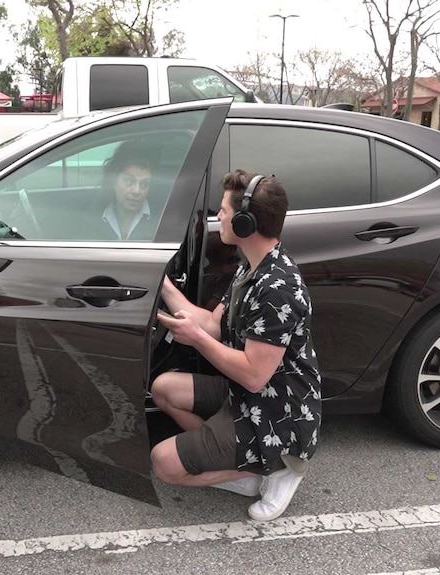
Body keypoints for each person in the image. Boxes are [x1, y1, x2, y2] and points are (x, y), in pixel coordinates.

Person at [150, 169, 322, 522]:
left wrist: (196, 339)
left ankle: (278, 467)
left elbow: (254, 376)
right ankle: (248, 465)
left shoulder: (278, 288)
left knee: (164, 464)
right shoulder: (252, 269)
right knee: (163, 388)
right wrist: (162, 285)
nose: (219, 217)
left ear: (247, 222)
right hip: (248, 398)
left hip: (279, 413)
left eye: (224, 211)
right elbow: (212, 323)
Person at [89, 140, 157, 241]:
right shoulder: (93, 217)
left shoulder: (160, 220)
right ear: (113, 181)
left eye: (144, 184)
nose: (137, 191)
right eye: (129, 181)